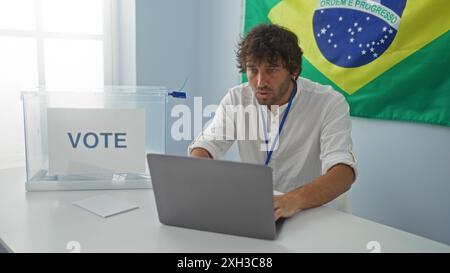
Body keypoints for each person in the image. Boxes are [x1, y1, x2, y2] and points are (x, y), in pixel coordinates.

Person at [188, 24, 357, 221]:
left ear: (293, 70)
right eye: (253, 69)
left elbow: (343, 173)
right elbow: (204, 147)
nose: (260, 81)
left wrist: (292, 200)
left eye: (272, 69)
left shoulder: (329, 102)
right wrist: (202, 176)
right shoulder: (237, 98)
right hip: (262, 213)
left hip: (316, 216)